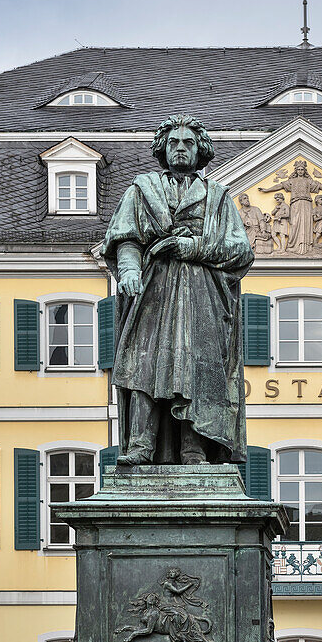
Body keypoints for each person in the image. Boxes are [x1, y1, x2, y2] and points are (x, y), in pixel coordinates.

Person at [101, 114, 254, 466]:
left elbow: (241, 250)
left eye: (188, 142)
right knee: (142, 365)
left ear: (200, 149)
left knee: (199, 370)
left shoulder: (217, 198)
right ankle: (140, 445)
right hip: (152, 290)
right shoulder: (142, 191)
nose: (181, 148)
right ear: (163, 148)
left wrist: (195, 247)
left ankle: (194, 450)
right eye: (174, 142)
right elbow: (126, 237)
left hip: (203, 297)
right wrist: (128, 270)